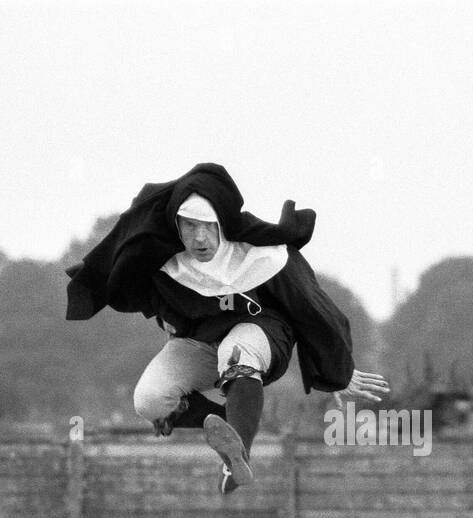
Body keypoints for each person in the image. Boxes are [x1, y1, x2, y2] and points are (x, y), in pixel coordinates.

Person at [65, 163, 388, 493]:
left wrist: (336, 371)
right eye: (189, 227)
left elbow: (313, 309)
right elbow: (115, 263)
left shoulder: (265, 256)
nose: (199, 238)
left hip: (261, 337)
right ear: (176, 226)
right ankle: (228, 426)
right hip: (199, 343)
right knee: (148, 401)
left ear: (222, 223)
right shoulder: (164, 263)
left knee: (235, 352)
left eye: (207, 226)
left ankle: (238, 457)